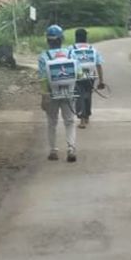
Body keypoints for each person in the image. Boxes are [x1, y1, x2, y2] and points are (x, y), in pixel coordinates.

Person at [38, 25, 78, 163]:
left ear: (48, 40)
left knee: (52, 122)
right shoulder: (70, 54)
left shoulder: (44, 56)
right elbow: (78, 73)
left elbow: (43, 78)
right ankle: (71, 148)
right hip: (69, 92)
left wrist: (44, 96)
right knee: (70, 122)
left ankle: (53, 150)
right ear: (62, 39)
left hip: (51, 93)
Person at [69, 28, 105, 129]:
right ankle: (87, 116)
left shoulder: (71, 49)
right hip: (90, 76)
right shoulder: (92, 49)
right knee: (88, 95)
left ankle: (82, 120)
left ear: (76, 37)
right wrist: (101, 80)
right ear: (85, 37)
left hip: (77, 76)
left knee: (79, 96)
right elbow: (98, 65)